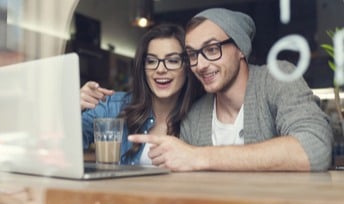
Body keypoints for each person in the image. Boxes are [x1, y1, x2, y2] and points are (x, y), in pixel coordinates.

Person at [128, 8, 334, 171]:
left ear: (240, 49)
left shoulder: (276, 78)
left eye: (211, 49)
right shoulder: (195, 116)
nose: (200, 64)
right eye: (192, 54)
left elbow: (315, 148)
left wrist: (199, 156)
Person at [80, 23, 203, 165]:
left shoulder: (202, 116)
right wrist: (71, 108)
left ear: (187, 67)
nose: (161, 69)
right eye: (151, 61)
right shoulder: (113, 107)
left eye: (172, 60)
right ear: (143, 68)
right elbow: (61, 145)